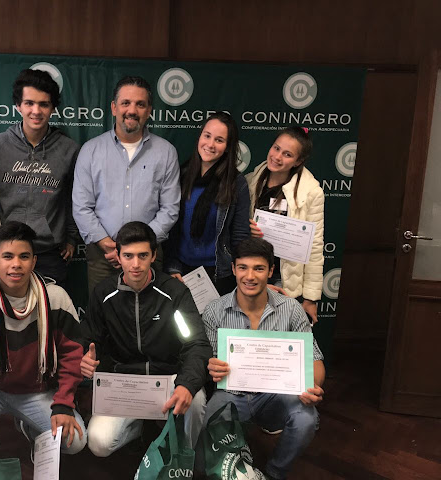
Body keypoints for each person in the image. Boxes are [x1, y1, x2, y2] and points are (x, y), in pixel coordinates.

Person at [0, 221, 87, 462]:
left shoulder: (56, 299)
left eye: (24, 256)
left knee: (75, 441)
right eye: (8, 256)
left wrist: (63, 403)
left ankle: (29, 427)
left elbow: (72, 357)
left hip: (37, 390)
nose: (16, 264)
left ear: (34, 261)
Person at [80, 221, 212, 456]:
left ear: (153, 256)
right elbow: (90, 339)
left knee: (195, 399)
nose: (136, 264)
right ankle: (139, 428)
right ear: (118, 257)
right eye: (128, 256)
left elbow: (195, 343)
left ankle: (183, 455)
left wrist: (186, 384)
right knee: (99, 443)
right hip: (124, 382)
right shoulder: (104, 294)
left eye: (142, 255)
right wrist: (85, 358)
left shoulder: (174, 293)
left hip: (168, 377)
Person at [202, 237, 324, 480]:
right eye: (243, 267)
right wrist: (212, 367)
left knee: (307, 419)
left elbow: (315, 359)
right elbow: (212, 361)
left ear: (270, 271)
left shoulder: (291, 308)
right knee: (207, 425)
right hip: (232, 393)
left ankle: (274, 473)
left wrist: (313, 385)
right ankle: (232, 467)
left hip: (277, 393)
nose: (250, 276)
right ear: (233, 269)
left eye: (258, 268)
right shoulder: (214, 310)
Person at [73, 76, 181, 293]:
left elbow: (170, 209)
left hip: (148, 258)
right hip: (104, 257)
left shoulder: (166, 152)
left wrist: (140, 249)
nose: (132, 110)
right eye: (126, 103)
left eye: (140, 104)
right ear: (114, 108)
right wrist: (106, 243)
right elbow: (81, 207)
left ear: (149, 110)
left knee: (150, 312)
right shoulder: (90, 150)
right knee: (104, 311)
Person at [0, 69, 80, 287]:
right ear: (18, 105)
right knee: (8, 309)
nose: (36, 111)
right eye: (29, 103)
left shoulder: (69, 149)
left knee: (51, 308)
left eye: (44, 104)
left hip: (50, 253)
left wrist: (71, 238)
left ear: (53, 108)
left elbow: (74, 198)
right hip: (6, 252)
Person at [165, 112, 250, 295]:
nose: (210, 144)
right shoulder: (182, 174)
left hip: (218, 273)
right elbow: (172, 228)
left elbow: (240, 236)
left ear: (227, 147)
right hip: (180, 269)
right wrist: (172, 267)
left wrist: (241, 271)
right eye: (207, 136)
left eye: (219, 140)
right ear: (200, 137)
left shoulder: (236, 183)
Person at [246, 127, 324, 323]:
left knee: (276, 331)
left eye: (287, 154)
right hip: (251, 272)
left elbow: (314, 247)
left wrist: (310, 298)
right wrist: (247, 230)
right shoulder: (254, 179)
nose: (277, 157)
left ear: (298, 161)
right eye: (276, 148)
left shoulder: (311, 192)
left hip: (284, 277)